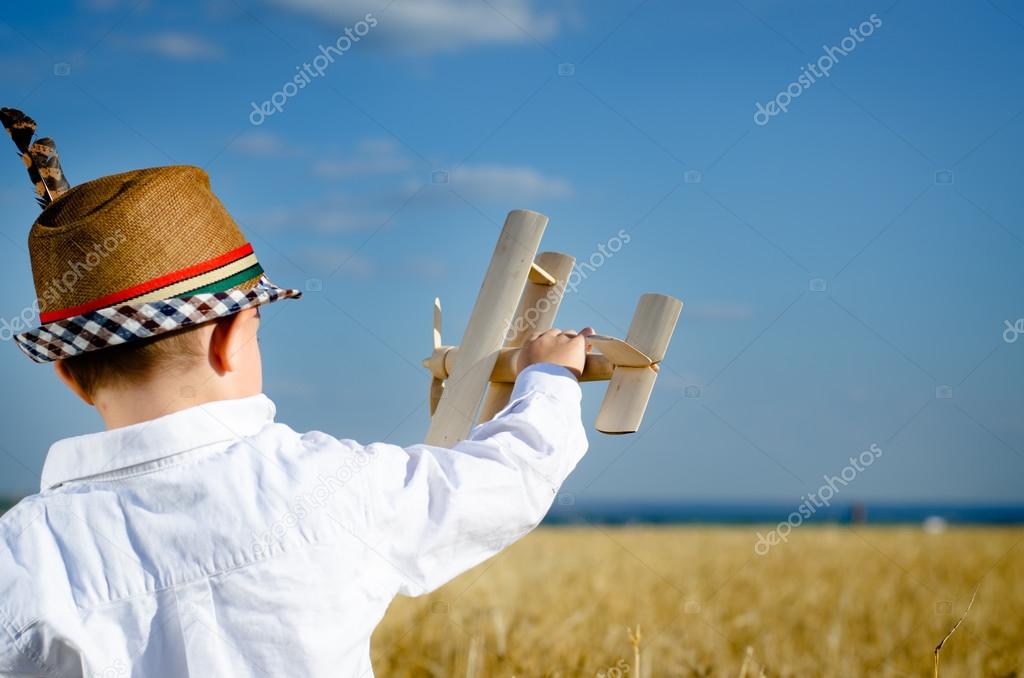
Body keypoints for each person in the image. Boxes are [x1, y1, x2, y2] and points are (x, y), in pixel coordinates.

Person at [0, 109, 591, 677]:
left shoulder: (18, 555)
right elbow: (505, 481)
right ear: (230, 339)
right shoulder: (331, 485)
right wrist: (548, 377)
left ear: (69, 376)